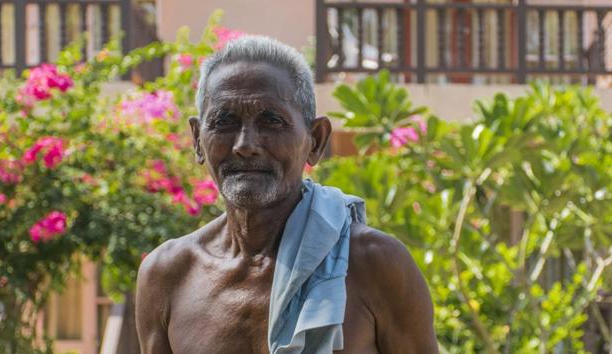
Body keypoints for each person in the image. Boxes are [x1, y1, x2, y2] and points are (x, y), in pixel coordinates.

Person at [136, 35, 438, 354]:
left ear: (316, 140)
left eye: (272, 121)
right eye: (224, 122)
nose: (245, 145)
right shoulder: (167, 275)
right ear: (198, 140)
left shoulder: (374, 264)